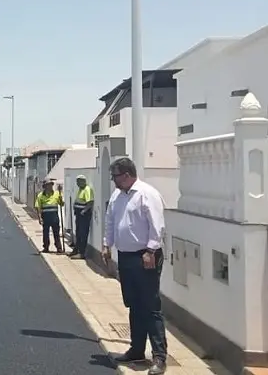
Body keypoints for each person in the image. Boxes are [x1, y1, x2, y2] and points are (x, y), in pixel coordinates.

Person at [102, 157, 168, 375]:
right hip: (126, 257)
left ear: (128, 175)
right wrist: (107, 245)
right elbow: (111, 220)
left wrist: (150, 250)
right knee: (134, 304)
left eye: (116, 177)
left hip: (145, 256)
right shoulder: (117, 196)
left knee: (150, 306)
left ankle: (159, 356)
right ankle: (137, 349)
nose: (114, 182)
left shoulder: (146, 194)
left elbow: (157, 225)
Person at [34, 179, 64, 253]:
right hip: (46, 217)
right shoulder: (40, 195)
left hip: (54, 216)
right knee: (45, 233)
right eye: (48, 185)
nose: (50, 186)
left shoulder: (57, 194)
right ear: (45, 186)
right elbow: (38, 207)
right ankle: (46, 247)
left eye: (51, 185)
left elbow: (62, 204)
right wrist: (40, 218)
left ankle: (59, 248)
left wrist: (61, 199)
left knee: (56, 233)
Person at [69, 174, 94, 259]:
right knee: (78, 233)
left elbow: (90, 202)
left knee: (83, 233)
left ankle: (82, 253)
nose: (77, 183)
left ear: (83, 181)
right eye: (77, 182)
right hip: (78, 215)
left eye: (79, 181)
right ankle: (76, 250)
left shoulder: (87, 189)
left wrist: (83, 211)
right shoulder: (80, 189)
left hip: (84, 215)